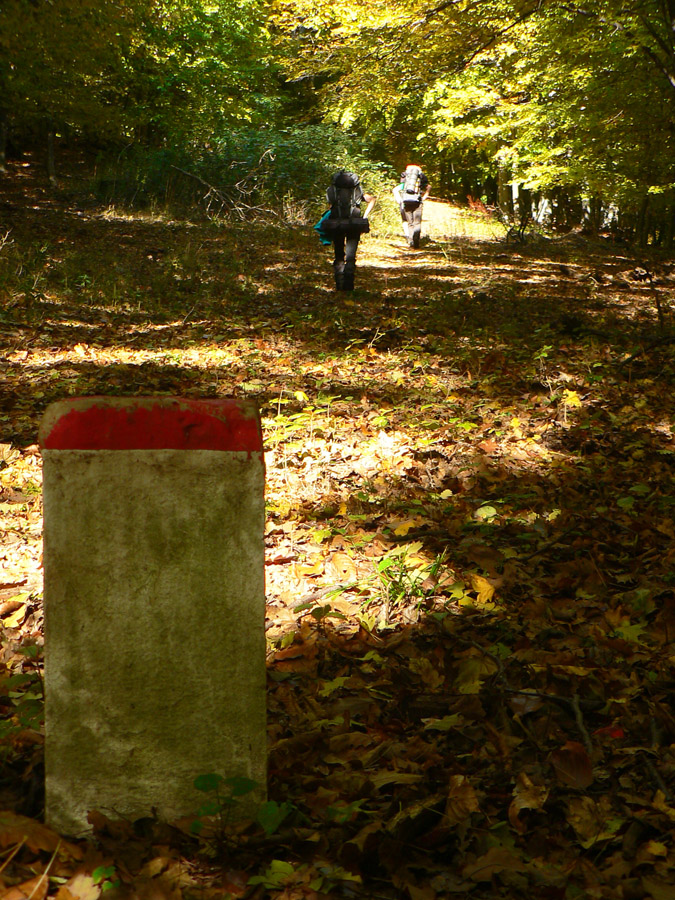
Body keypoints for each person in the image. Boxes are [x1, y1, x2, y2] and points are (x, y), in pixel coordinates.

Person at [322, 170, 376, 291]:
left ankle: (339, 284)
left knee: (339, 254)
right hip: (354, 224)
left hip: (337, 224)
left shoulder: (331, 190)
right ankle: (349, 285)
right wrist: (365, 216)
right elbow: (372, 199)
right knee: (351, 255)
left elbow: (330, 205)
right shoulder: (357, 191)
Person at [393, 164, 431, 248]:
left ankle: (411, 241)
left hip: (406, 202)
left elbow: (395, 190)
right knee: (417, 222)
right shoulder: (419, 180)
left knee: (410, 223)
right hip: (417, 202)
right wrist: (424, 198)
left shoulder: (406, 181)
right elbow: (428, 187)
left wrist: (400, 200)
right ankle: (416, 241)